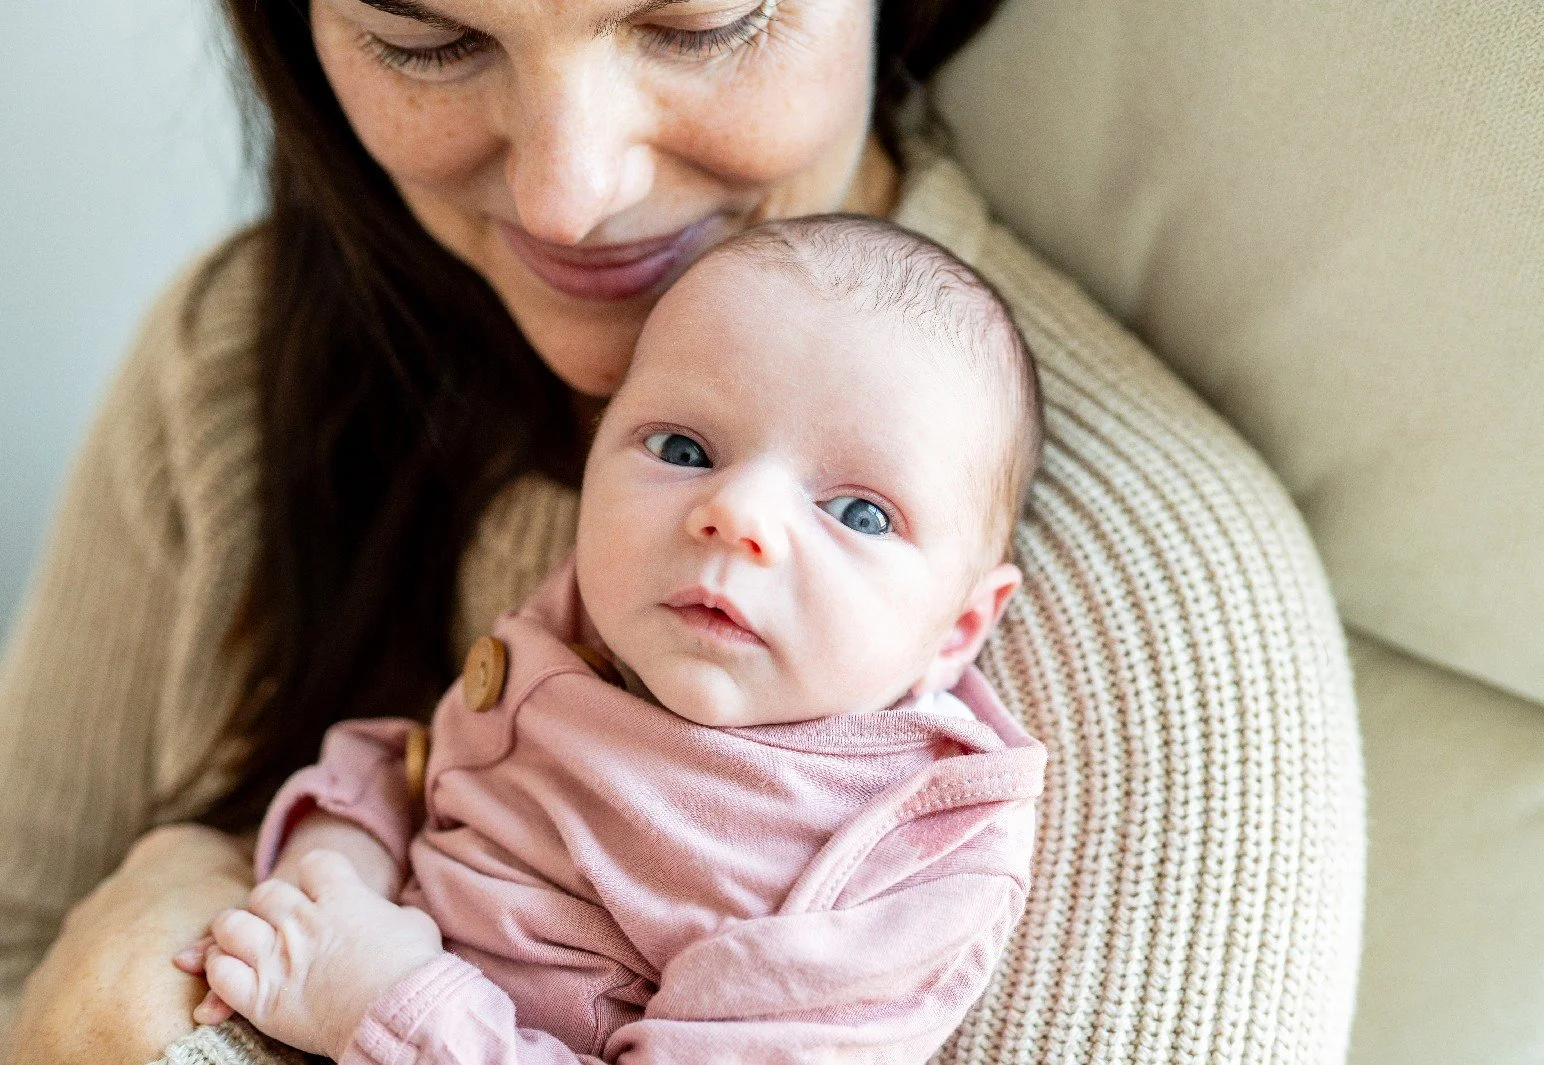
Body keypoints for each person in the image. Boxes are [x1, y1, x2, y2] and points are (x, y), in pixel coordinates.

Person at [0, 0, 1364, 1062]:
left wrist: (152, 1038)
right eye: (427, 37)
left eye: (698, 21)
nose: (565, 194)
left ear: (965, 617)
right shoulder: (245, 343)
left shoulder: (1166, 628)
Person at [174, 215, 1050, 1065]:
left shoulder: (897, 857)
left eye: (857, 512)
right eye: (682, 448)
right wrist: (334, 864)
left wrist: (382, 998)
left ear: (960, 627)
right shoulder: (601, 619)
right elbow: (429, 768)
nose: (735, 515)